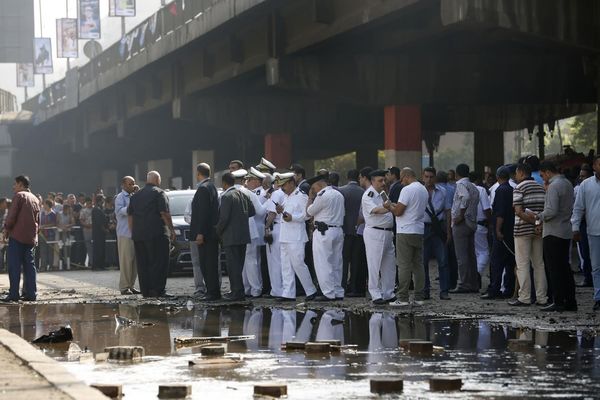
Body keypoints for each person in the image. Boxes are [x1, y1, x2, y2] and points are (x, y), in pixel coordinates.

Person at [535, 161, 576, 312]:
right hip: (565, 231)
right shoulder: (567, 183)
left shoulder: (554, 186)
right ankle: (570, 301)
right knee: (565, 268)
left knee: (554, 269)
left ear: (547, 172)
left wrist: (537, 216)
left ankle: (558, 301)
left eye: (542, 175)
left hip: (553, 232)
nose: (542, 178)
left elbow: (551, 211)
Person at [128, 171, 175, 298]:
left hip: (139, 235)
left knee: (143, 264)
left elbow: (130, 216)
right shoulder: (159, 193)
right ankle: (158, 290)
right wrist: (172, 230)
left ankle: (146, 291)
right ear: (158, 180)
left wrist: (133, 232)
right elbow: (164, 213)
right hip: (157, 233)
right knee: (159, 262)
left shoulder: (135, 196)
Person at [385, 167, 428, 306]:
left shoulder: (407, 190)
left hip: (405, 230)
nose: (401, 182)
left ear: (406, 176)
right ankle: (419, 297)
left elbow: (398, 212)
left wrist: (388, 206)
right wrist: (395, 206)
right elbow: (410, 208)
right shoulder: (423, 189)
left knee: (403, 265)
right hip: (419, 230)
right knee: (418, 265)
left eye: (402, 179)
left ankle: (403, 298)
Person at [509, 163, 547, 306]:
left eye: (516, 173)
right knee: (539, 264)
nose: (515, 176)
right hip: (539, 230)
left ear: (520, 172)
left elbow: (518, 211)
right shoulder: (541, 187)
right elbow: (544, 211)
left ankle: (524, 297)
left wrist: (531, 222)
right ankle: (542, 298)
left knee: (523, 264)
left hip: (522, 231)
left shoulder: (519, 188)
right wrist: (537, 224)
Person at [277, 172, 317, 301]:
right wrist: (280, 211)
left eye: (284, 185)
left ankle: (311, 291)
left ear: (291, 183)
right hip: (285, 235)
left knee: (298, 264)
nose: (282, 188)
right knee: (286, 266)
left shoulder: (301, 196)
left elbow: (307, 215)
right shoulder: (286, 196)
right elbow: (285, 213)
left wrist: (293, 218)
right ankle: (288, 294)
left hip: (296, 236)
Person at [216, 172, 255, 301]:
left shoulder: (226, 196)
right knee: (239, 265)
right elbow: (252, 212)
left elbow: (224, 218)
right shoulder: (243, 194)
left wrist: (218, 231)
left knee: (233, 266)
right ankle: (239, 291)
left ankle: (236, 293)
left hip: (230, 236)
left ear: (224, 183)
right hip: (243, 235)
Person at [306, 173, 345, 301]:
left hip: (324, 232)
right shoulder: (338, 194)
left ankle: (328, 292)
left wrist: (310, 198)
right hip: (338, 230)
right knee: (336, 262)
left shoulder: (322, 195)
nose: (313, 190)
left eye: (313, 187)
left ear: (319, 184)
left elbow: (310, 212)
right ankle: (338, 291)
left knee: (323, 262)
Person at [2, 175, 41, 302]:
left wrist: (6, 229)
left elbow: (12, 216)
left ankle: (14, 294)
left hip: (17, 237)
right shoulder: (35, 198)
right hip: (30, 238)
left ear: (21, 184)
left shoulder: (19, 196)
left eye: (15, 184)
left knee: (14, 266)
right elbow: (38, 221)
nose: (14, 186)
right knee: (30, 266)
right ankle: (31, 293)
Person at [361, 169, 396, 305]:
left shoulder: (382, 193)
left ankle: (388, 293)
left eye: (384, 180)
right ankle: (375, 294)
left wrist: (393, 207)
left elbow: (388, 206)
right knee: (374, 264)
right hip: (375, 232)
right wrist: (390, 208)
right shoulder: (368, 195)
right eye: (380, 180)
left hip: (387, 232)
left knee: (389, 264)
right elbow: (376, 210)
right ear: (372, 181)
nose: (383, 183)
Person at [231, 168, 266, 298]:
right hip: (249, 230)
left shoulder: (228, 192)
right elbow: (261, 212)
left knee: (243, 261)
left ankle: (246, 288)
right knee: (252, 260)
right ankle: (256, 289)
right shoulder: (248, 193)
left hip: (234, 231)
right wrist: (269, 201)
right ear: (244, 179)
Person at [482, 166, 515, 300]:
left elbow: (500, 212)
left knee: (496, 261)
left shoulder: (500, 190)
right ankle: (509, 288)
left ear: (497, 177)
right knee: (509, 261)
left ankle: (495, 289)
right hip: (510, 230)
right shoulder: (511, 189)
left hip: (501, 231)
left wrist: (497, 229)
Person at [572, 156, 600, 312]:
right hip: (594, 231)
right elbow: (578, 208)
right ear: (594, 166)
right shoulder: (586, 185)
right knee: (596, 266)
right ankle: (598, 297)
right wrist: (575, 227)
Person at [190, 163, 220, 301]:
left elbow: (203, 213)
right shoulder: (211, 186)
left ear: (198, 173)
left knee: (206, 264)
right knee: (211, 263)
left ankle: (212, 292)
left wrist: (200, 233)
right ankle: (213, 291)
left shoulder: (203, 189)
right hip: (212, 233)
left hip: (206, 234)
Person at [421, 167, 451, 301]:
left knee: (443, 261)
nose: (429, 179)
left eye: (431, 177)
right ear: (423, 177)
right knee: (423, 262)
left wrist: (449, 232)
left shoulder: (443, 192)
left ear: (435, 178)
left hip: (439, 228)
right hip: (423, 228)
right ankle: (425, 290)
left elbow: (448, 212)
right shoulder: (418, 192)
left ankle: (444, 291)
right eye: (426, 176)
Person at [449, 164, 480, 293]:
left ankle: (463, 283)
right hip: (471, 223)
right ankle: (473, 283)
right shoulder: (473, 186)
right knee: (471, 255)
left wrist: (460, 215)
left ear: (457, 174)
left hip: (461, 223)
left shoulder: (461, 185)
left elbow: (465, 197)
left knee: (461, 256)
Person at [338, 169, 365, 294]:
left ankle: (342, 286)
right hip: (359, 230)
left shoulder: (341, 191)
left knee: (344, 260)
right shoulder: (363, 192)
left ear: (347, 177)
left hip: (345, 229)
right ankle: (353, 286)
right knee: (355, 261)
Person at [115, 176, 139, 295]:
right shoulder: (120, 197)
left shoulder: (134, 196)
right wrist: (132, 205)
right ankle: (124, 287)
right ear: (123, 185)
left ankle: (131, 285)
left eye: (133, 183)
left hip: (135, 232)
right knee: (126, 260)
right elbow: (119, 211)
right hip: (125, 233)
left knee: (134, 261)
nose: (133, 186)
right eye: (130, 184)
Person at [573, 164, 594, 287]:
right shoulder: (578, 189)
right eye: (580, 176)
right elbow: (576, 208)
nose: (581, 179)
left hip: (593, 222)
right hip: (583, 223)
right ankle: (588, 277)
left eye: (584, 176)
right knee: (584, 252)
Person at [39, 199, 57, 271]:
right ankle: (43, 266)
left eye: (45, 204)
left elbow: (54, 223)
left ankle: (50, 266)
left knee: (50, 251)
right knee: (43, 251)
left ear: (48, 205)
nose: (44, 205)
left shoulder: (53, 214)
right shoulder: (42, 213)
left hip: (50, 235)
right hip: (42, 235)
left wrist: (44, 226)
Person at [91, 196, 108, 271]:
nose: (103, 202)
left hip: (101, 233)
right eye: (102, 200)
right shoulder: (96, 210)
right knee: (98, 249)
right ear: (100, 201)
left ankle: (101, 265)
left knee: (101, 249)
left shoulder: (100, 209)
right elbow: (99, 223)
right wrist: (105, 230)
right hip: (98, 233)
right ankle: (96, 265)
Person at [80, 197, 93, 267]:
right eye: (88, 203)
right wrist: (87, 225)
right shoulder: (83, 210)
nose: (89, 204)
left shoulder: (95, 210)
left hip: (94, 230)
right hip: (86, 230)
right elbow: (81, 220)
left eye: (90, 203)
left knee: (94, 246)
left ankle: (94, 261)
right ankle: (91, 262)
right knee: (88, 247)